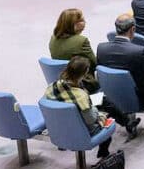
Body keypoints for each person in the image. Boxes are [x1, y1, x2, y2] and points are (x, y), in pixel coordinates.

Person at [48, 8, 139, 136]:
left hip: (62, 84)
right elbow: (95, 63)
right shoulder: (81, 41)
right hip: (83, 85)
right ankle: (126, 122)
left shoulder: (53, 39)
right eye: (81, 20)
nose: (84, 21)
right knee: (104, 99)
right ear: (73, 24)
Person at [43, 56, 116, 159]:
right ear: (84, 73)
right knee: (106, 113)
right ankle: (104, 151)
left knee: (102, 100)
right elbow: (90, 120)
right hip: (81, 131)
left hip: (59, 129)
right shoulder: (81, 96)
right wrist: (95, 109)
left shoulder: (52, 86)